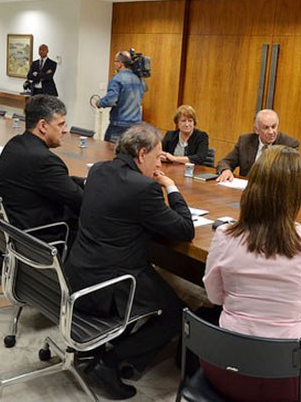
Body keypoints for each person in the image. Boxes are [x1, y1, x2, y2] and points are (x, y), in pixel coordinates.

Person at [64, 122, 194, 400]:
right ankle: (109, 365)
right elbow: (185, 230)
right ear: (142, 154)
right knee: (178, 313)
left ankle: (112, 349)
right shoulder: (144, 188)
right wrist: (170, 187)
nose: (159, 163)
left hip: (77, 272)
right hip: (111, 281)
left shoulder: (98, 170)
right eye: (158, 157)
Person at [203, 145, 301, 401]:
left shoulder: (225, 236)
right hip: (286, 378)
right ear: (297, 195)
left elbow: (215, 298)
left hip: (226, 368)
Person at [0, 94, 83, 246]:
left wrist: (83, 181)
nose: (65, 130)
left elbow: (54, 181)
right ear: (42, 126)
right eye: (61, 125)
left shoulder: (15, 143)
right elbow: (79, 200)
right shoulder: (45, 160)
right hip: (37, 235)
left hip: (11, 225)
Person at [216, 109, 299, 182]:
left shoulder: (289, 144)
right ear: (256, 130)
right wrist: (225, 170)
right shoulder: (245, 141)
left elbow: (291, 175)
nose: (271, 132)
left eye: (274, 127)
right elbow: (225, 162)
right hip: (246, 190)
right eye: (266, 128)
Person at [97, 50, 146, 143]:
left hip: (119, 126)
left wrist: (99, 102)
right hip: (135, 126)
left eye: (115, 61)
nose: (114, 64)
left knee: (110, 152)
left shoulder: (117, 79)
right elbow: (143, 91)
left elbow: (111, 100)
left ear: (120, 64)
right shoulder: (138, 79)